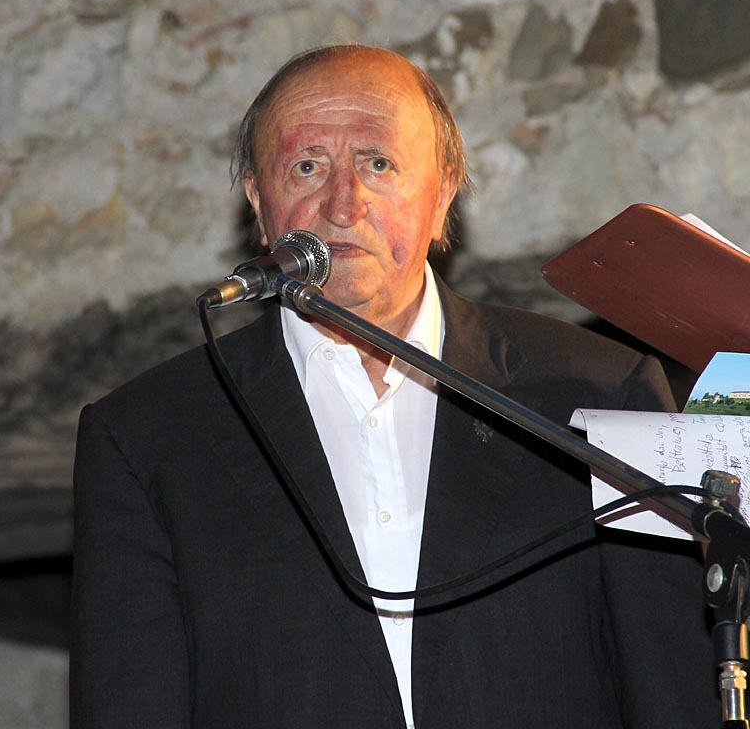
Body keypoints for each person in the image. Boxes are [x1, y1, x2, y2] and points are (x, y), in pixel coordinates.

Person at [70, 45, 718, 728]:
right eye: (307, 166)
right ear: (260, 204)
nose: (343, 204)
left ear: (442, 195)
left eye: (378, 164)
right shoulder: (147, 439)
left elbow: (673, 689)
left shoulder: (598, 391)